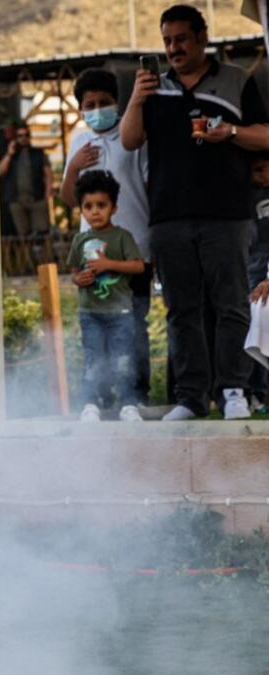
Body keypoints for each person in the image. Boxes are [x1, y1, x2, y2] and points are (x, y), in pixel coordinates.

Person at [120, 4, 269, 420]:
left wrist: (231, 132)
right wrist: (136, 97)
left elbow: (265, 135)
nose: (173, 48)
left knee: (231, 305)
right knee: (182, 310)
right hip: (168, 216)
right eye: (167, 40)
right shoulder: (153, 87)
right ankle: (190, 397)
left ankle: (234, 390)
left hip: (227, 213)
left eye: (181, 39)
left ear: (203, 38)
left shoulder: (236, 80)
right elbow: (131, 140)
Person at [61, 68, 153, 404]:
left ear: (117, 101)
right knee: (96, 327)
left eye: (105, 102)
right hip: (93, 254)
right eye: (90, 104)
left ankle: (137, 395)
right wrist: (73, 167)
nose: (98, 108)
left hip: (135, 249)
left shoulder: (134, 138)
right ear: (81, 109)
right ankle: (100, 396)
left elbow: (148, 186)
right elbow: (68, 199)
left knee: (134, 326)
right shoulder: (79, 141)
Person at [66, 171, 146, 422]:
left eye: (101, 205)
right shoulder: (80, 240)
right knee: (93, 359)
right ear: (81, 210)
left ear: (114, 207)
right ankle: (91, 403)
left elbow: (138, 266)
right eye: (88, 207)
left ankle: (128, 403)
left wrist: (108, 264)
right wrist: (79, 279)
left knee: (122, 359)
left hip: (120, 313)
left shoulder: (122, 237)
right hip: (90, 314)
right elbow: (74, 272)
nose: (95, 212)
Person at [0, 123, 54, 237]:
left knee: (42, 233)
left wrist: (48, 191)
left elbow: (48, 173)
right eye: (20, 135)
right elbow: (0, 171)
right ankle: (26, 255)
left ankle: (42, 255)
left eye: (26, 135)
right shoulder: (10, 154)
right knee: (22, 235)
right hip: (16, 199)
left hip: (37, 197)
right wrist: (9, 154)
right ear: (16, 138)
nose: (23, 138)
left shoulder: (38, 153)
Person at [247, 153, 269, 410]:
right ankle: (255, 393)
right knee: (253, 331)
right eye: (256, 170)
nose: (262, 176)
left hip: (264, 273)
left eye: (265, 169)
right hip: (250, 271)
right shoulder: (245, 197)